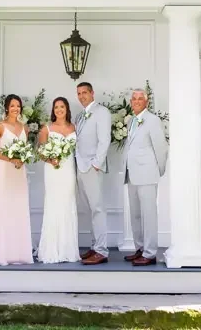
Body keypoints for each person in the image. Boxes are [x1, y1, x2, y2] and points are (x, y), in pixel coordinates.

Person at [0, 94, 33, 265]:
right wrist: (9, 158)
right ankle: (2, 253)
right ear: (7, 108)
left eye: (18, 106)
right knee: (4, 208)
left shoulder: (24, 127)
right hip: (5, 170)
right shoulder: (0, 126)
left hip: (19, 172)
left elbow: (27, 149)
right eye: (12, 106)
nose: (15, 109)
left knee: (18, 208)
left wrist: (23, 158)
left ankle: (19, 253)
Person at [123, 88, 168, 266]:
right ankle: (140, 248)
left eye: (140, 98)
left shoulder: (153, 120)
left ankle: (149, 253)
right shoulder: (131, 121)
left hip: (148, 174)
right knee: (135, 215)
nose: (136, 101)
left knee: (148, 215)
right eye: (134, 98)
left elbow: (162, 148)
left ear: (146, 102)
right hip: (132, 173)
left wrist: (159, 170)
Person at [36, 96, 79, 263]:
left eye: (62, 106)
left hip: (68, 170)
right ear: (53, 110)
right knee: (53, 204)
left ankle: (68, 249)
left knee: (68, 204)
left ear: (67, 109)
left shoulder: (74, 127)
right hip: (53, 170)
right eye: (56, 107)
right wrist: (50, 159)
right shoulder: (47, 128)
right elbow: (40, 151)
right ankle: (51, 249)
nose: (59, 110)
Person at [74, 82, 112, 265]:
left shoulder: (101, 112)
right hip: (80, 167)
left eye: (84, 93)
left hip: (92, 167)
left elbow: (105, 139)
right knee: (89, 209)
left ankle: (102, 250)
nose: (81, 96)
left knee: (97, 208)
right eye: (79, 93)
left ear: (92, 93)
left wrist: (96, 164)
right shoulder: (80, 115)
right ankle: (94, 245)